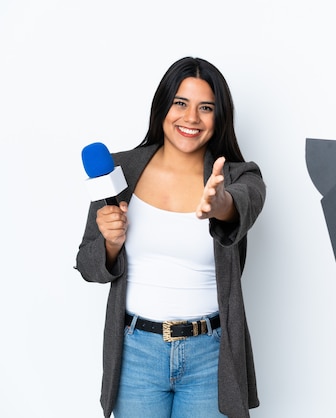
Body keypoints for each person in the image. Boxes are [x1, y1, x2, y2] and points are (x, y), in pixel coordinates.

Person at [76, 57, 266, 418]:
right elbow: (88, 265)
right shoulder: (120, 173)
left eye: (205, 108)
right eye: (180, 103)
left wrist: (221, 202)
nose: (191, 118)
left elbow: (245, 203)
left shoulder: (239, 178)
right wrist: (111, 244)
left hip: (210, 355)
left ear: (219, 117)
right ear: (163, 107)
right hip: (136, 355)